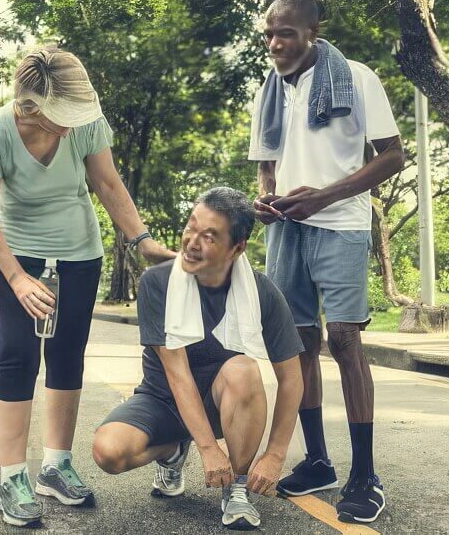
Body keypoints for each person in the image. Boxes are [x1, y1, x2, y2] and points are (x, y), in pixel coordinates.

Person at [0, 46, 175, 527]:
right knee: (18, 354)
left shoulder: (85, 125)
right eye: (62, 115)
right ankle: (12, 478)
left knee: (67, 354)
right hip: (15, 250)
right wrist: (16, 276)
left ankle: (56, 466)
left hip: (79, 251)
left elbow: (107, 183)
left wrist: (140, 238)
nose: (70, 123)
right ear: (31, 106)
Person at [247, 0, 405, 523]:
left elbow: (392, 156)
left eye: (285, 33)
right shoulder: (268, 89)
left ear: (312, 31)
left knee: (342, 338)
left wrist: (326, 195)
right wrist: (266, 197)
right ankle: (318, 460)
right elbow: (268, 164)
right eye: (269, 33)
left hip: (340, 224)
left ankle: (365, 474)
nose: (274, 43)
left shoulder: (356, 76)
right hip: (287, 231)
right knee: (299, 344)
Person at [92, 187, 305, 531]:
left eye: (209, 236)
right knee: (108, 451)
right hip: (163, 398)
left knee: (244, 369)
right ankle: (174, 448)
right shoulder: (158, 282)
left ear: (237, 249)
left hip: (223, 403)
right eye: (191, 226)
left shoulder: (262, 291)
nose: (192, 242)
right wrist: (206, 447)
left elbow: (292, 377)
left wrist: (276, 453)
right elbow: (177, 375)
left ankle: (236, 488)